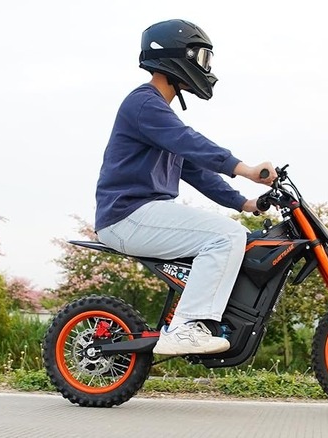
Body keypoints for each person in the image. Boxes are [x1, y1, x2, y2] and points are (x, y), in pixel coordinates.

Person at [94, 19, 276, 356]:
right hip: (128, 214)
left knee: (230, 233)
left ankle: (196, 322)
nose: (206, 68)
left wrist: (245, 203)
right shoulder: (144, 104)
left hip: (141, 215)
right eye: (201, 58)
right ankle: (187, 327)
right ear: (177, 56)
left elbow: (195, 169)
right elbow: (189, 142)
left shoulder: (157, 113)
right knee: (226, 237)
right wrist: (246, 169)